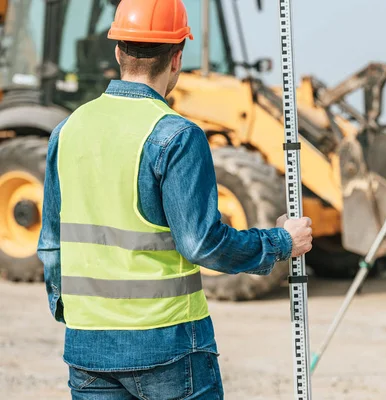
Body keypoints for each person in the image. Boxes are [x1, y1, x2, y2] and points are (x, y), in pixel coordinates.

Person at [37, 0, 313, 398]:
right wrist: (282, 242)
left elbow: (51, 242)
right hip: (167, 342)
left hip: (87, 346)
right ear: (177, 57)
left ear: (117, 51)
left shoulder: (67, 130)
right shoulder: (176, 135)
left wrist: (72, 313)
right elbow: (201, 243)